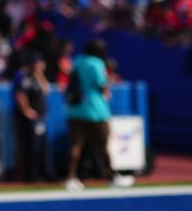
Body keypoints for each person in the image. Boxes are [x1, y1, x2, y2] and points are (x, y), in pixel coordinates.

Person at [63, 39, 133, 191]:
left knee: (75, 146)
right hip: (95, 110)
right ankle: (111, 176)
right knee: (103, 145)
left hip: (75, 109)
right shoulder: (97, 63)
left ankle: (71, 177)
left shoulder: (78, 60)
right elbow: (102, 85)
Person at [12, 52, 53, 182]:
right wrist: (26, 110)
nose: (41, 66)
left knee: (43, 147)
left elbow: (47, 89)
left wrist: (41, 75)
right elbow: (20, 95)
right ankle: (31, 176)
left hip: (41, 118)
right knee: (32, 148)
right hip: (30, 118)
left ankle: (44, 174)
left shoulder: (39, 77)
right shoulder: (25, 77)